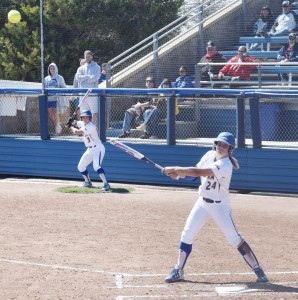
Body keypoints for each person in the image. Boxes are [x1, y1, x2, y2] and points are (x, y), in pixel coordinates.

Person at [162, 132, 268, 284]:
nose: (221, 147)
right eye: (219, 143)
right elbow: (194, 175)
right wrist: (177, 175)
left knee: (234, 239)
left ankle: (258, 270)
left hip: (220, 206)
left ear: (230, 149)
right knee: (187, 234)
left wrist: (176, 168)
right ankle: (178, 270)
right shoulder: (209, 155)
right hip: (202, 203)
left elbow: (201, 172)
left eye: (225, 145)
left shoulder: (226, 165)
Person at [67, 109, 110, 191]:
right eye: (83, 117)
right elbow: (76, 122)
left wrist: (71, 127)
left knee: (96, 166)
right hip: (90, 149)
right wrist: (71, 121)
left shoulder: (91, 126)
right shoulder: (82, 123)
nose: (85, 119)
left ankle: (106, 184)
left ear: (90, 118)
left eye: (87, 117)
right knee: (80, 167)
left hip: (98, 148)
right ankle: (88, 182)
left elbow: (77, 132)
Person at [74, 50, 101, 121]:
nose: (87, 58)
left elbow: (95, 78)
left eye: (89, 56)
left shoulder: (97, 67)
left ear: (92, 57)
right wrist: (88, 77)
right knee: (84, 113)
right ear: (84, 57)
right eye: (86, 57)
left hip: (92, 94)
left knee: (94, 112)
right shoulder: (81, 68)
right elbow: (78, 78)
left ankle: (94, 130)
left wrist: (84, 78)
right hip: (82, 94)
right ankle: (85, 131)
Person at [44, 62, 67, 135]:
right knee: (50, 114)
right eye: (51, 68)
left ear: (56, 68)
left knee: (56, 113)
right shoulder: (46, 78)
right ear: (49, 69)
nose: (52, 69)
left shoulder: (60, 77)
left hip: (57, 99)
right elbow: (44, 88)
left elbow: (63, 87)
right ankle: (58, 125)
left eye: (53, 68)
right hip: (49, 98)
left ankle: (57, 130)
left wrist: (58, 91)